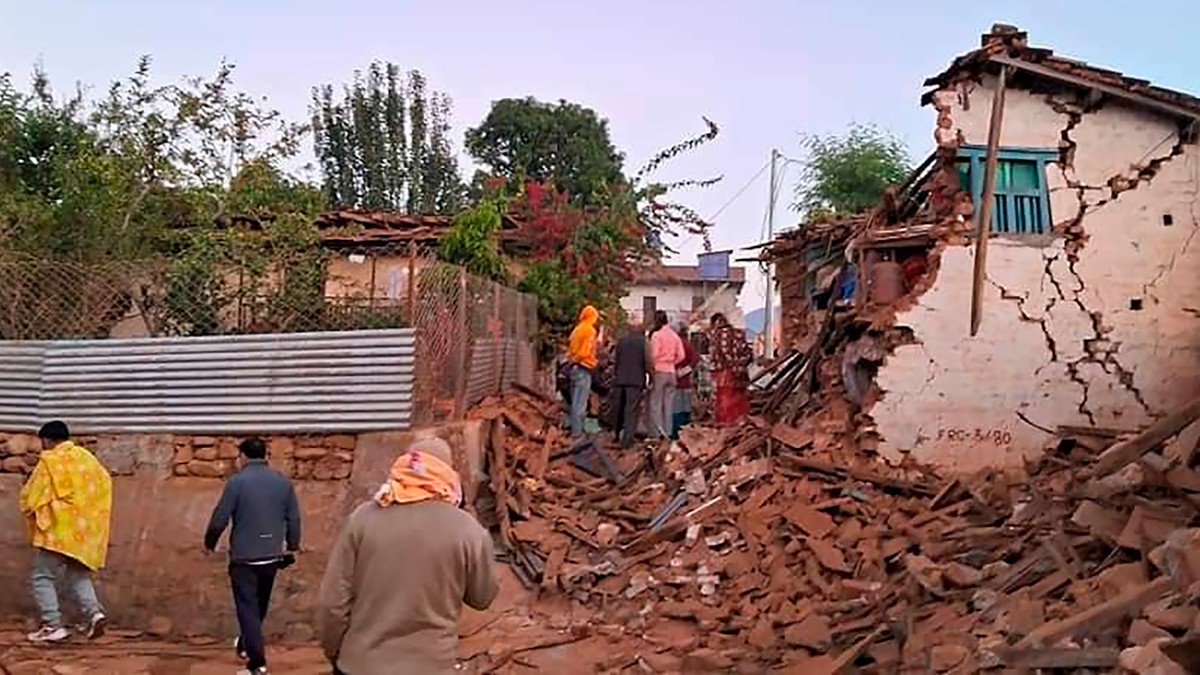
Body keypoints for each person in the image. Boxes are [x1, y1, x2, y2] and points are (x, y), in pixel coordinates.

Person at [317, 435, 498, 675]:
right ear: (447, 473)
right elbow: (482, 597)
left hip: (361, 664)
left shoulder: (362, 519)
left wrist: (335, 652)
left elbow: (332, 603)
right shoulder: (469, 530)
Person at [204, 437, 301, 675]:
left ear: (243, 457)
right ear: (266, 455)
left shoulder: (236, 483)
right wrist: (292, 545)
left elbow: (220, 519)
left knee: (247, 609)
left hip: (244, 559)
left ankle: (257, 664)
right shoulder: (283, 483)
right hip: (271, 557)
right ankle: (247, 644)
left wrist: (210, 543)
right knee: (259, 606)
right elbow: (294, 518)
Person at [19, 421, 112, 643]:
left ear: (48, 440)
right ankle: (94, 615)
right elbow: (105, 484)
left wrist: (29, 507)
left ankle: (52, 625)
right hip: (86, 532)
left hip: (58, 532)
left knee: (42, 576)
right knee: (78, 574)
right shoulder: (87, 459)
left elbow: (32, 495)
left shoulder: (50, 461)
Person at [610, 323, 652, 448]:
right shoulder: (643, 342)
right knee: (631, 410)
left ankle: (616, 434)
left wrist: (616, 375)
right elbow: (648, 361)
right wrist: (651, 377)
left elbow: (615, 360)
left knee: (619, 408)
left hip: (620, 379)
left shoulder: (621, 342)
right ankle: (627, 441)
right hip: (636, 381)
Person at [708, 313, 754, 426]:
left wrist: (731, 367)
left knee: (725, 401)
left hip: (725, 373)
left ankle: (726, 425)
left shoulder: (717, 335)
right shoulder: (739, 333)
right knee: (740, 400)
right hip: (741, 374)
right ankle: (741, 424)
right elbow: (749, 354)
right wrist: (740, 366)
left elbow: (721, 355)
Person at [648, 310, 685, 439]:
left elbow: (654, 355)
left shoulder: (656, 336)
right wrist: (672, 362)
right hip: (671, 372)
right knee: (668, 405)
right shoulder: (675, 336)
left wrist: (654, 366)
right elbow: (681, 355)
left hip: (660, 371)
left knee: (656, 403)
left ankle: (657, 433)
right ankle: (668, 432)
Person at [566, 305, 600, 438]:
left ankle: (576, 431)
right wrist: (583, 359)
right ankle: (577, 434)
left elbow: (570, 348)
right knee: (581, 403)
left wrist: (572, 360)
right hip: (583, 367)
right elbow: (585, 351)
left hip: (574, 368)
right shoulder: (589, 331)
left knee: (575, 401)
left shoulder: (576, 329)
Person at [672, 325, 700, 438]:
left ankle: (675, 433)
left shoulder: (675, 344)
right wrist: (687, 370)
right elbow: (695, 359)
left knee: (676, 409)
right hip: (686, 382)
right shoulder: (688, 345)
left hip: (675, 382)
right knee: (685, 408)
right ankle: (685, 431)